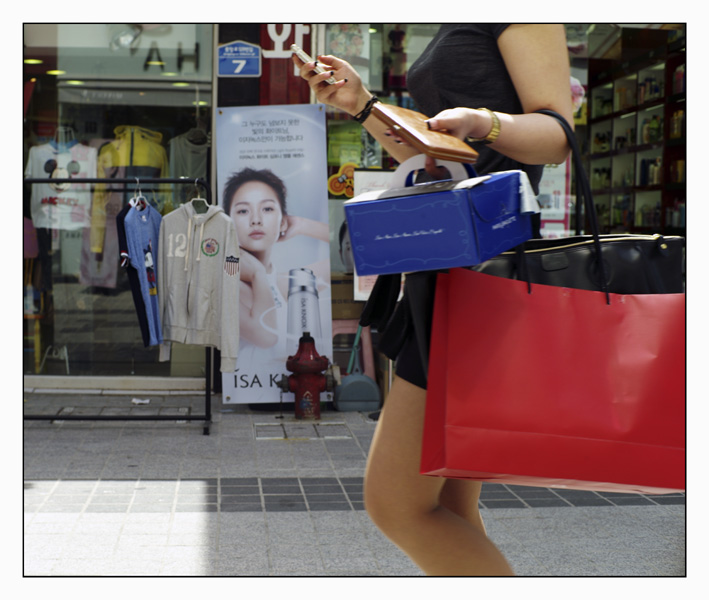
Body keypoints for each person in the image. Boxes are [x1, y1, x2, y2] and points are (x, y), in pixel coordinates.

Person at [293, 24, 574, 576]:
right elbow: (444, 158)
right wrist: (362, 104)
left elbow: (558, 136)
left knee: (397, 505)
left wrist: (484, 123)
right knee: (448, 503)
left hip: (482, 272)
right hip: (451, 265)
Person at [223, 167, 329, 365]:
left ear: (282, 222)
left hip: (288, 382)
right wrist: (257, 273)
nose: (256, 220)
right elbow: (266, 337)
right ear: (228, 222)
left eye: (267, 209)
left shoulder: (280, 284)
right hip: (247, 384)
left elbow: (353, 252)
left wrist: (301, 224)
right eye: (243, 211)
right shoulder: (226, 282)